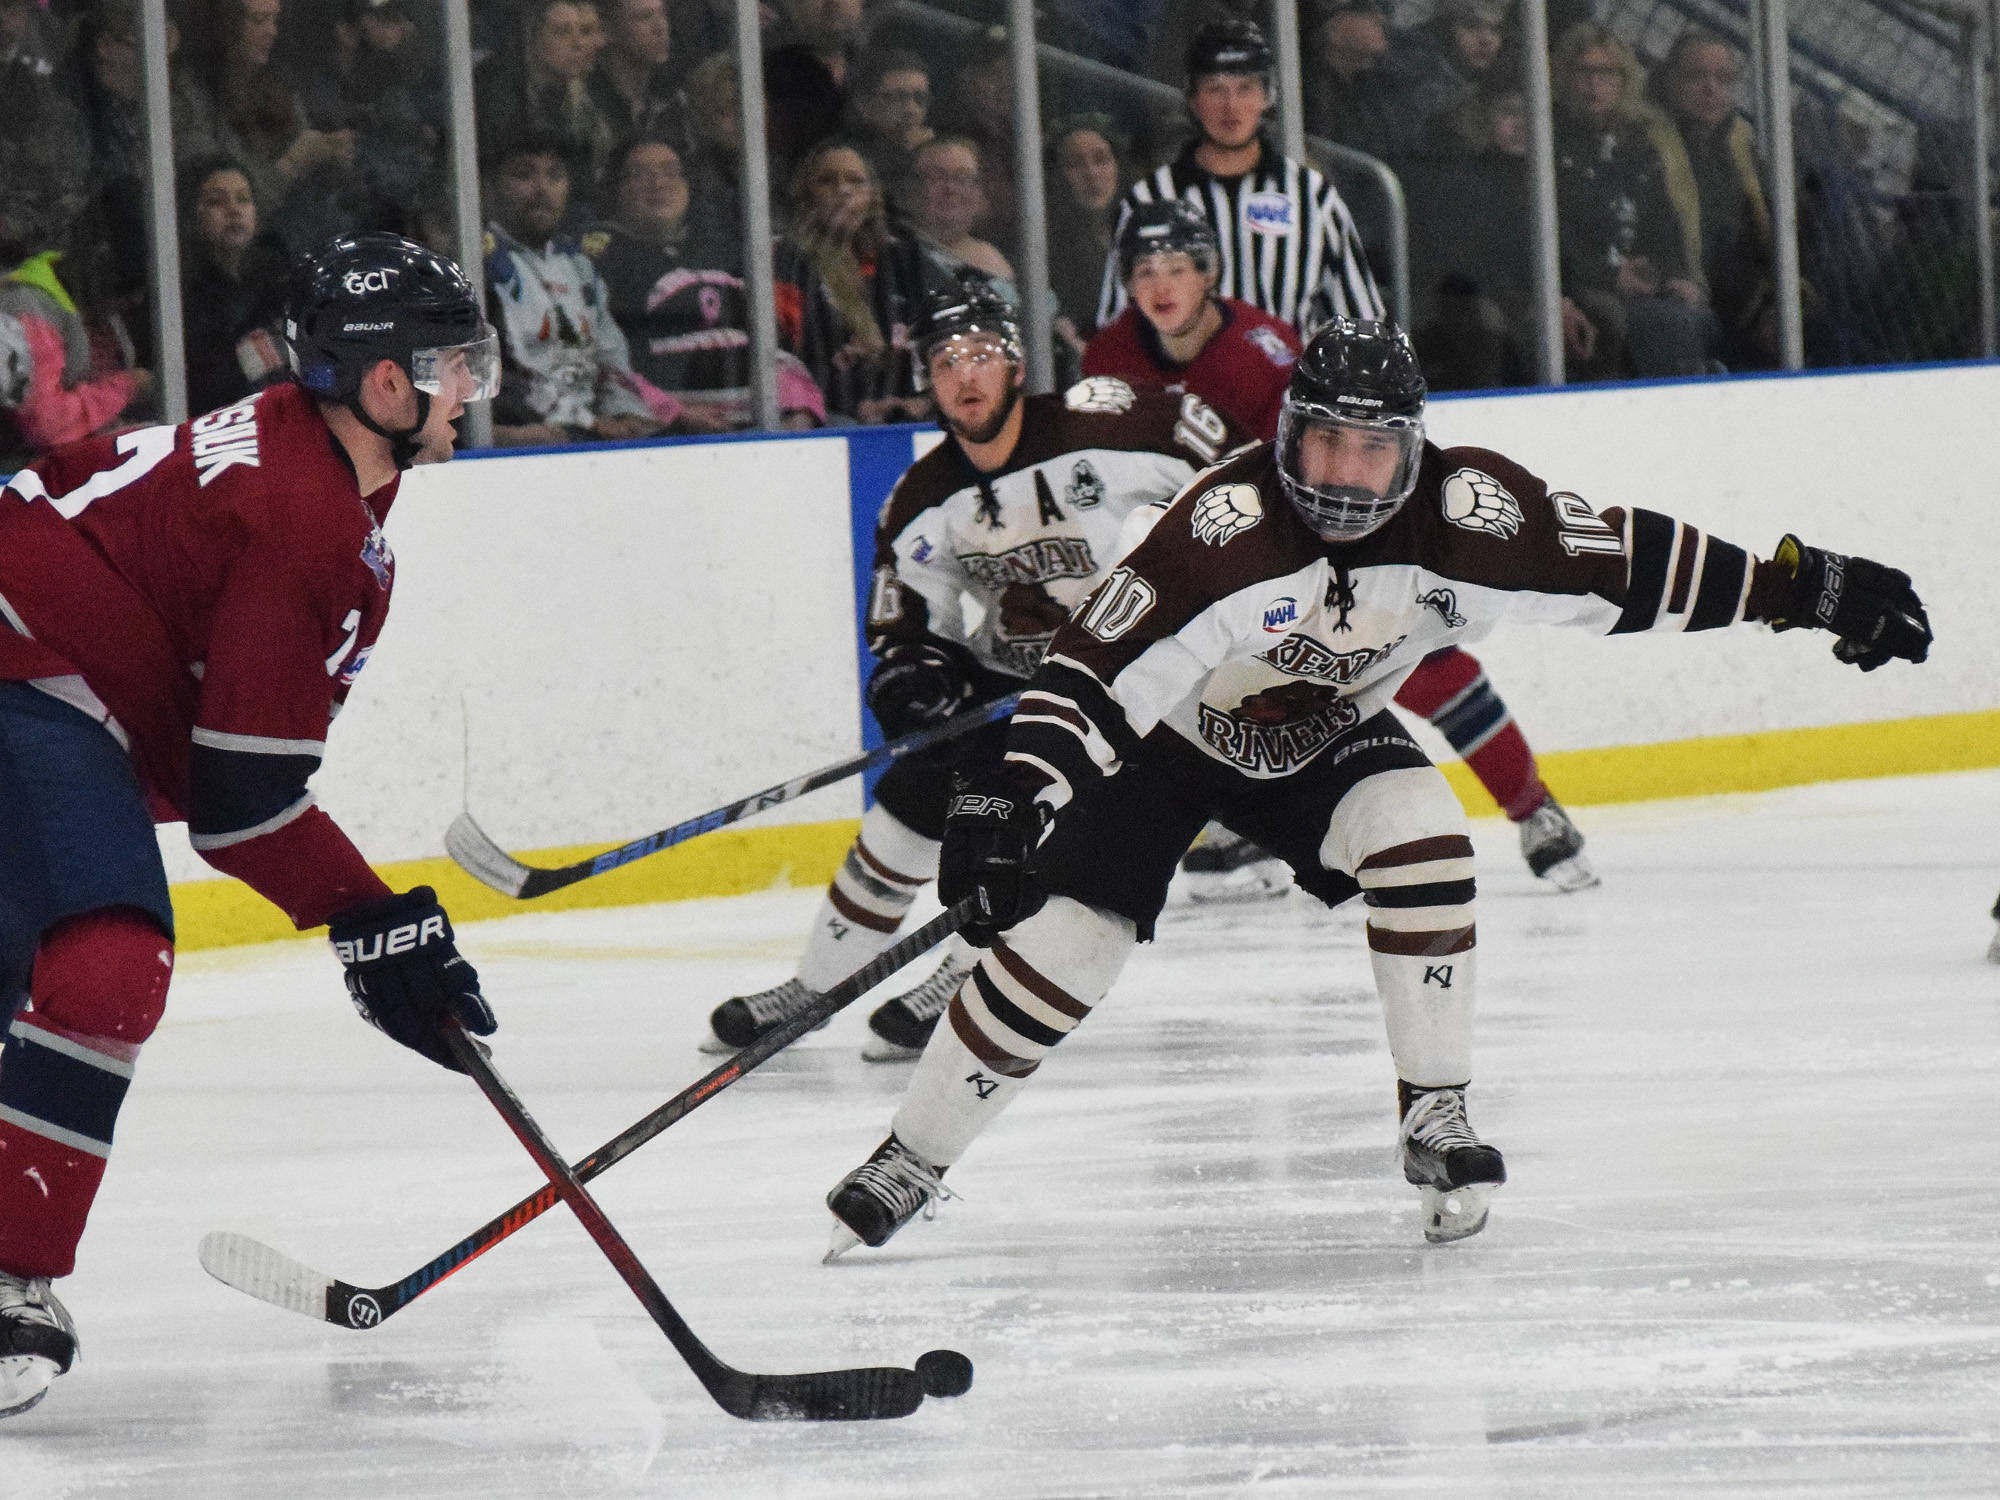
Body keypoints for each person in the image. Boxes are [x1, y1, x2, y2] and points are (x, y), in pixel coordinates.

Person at [821, 317, 1931, 1260]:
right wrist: (1007, 800)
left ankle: (1435, 1113)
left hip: (1318, 739)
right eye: (1321, 444)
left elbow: (1629, 562)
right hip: (1164, 744)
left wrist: (1805, 587)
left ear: (1411, 451)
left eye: (1370, 452)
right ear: (1283, 433)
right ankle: (910, 1160)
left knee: (1420, 835)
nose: (1342, 476)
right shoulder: (1218, 531)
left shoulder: (1470, 517)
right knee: (1068, 943)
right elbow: (1091, 671)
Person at [0, 232, 506, 1418]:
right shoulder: (301, 521)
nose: (471, 385)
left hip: (42, 668)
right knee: (108, 967)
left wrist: (369, 926)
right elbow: (242, 804)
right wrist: (375, 921)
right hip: (26, 666)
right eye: (453, 362)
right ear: (387, 384)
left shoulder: (310, 466)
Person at [701, 278, 1250, 1063]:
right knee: (912, 798)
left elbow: (1247, 478)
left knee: (1034, 814)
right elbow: (909, 622)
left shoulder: (1123, 424)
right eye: (947, 358)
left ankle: (967, 975)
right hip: (1019, 680)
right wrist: (919, 675)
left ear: (1017, 363)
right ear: (926, 376)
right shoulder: (923, 497)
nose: (967, 375)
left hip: (1138, 685)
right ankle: (814, 987)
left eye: (984, 354)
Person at [1085, 202, 1595, 895]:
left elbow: (1318, 465)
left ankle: (1534, 808)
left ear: (1208, 272)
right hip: (1197, 555)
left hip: (1306, 544)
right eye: (1145, 270)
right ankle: (1229, 823)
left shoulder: (1262, 348)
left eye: (1179, 266)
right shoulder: (1107, 358)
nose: (1162, 285)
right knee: (1188, 673)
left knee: (1430, 667)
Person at [1098, 18, 1383, 337]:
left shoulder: (1312, 197)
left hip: (1286, 386)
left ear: (1267, 96)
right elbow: (1116, 328)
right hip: (1181, 387)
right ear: (1193, 100)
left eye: (1245, 88)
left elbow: (1361, 323)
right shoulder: (1147, 201)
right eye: (1215, 90)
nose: (1230, 106)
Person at [586, 134, 825, 430]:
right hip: (659, 428)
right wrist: (674, 415)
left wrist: (798, 409)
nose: (659, 183)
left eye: (671, 172)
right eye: (640, 174)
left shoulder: (726, 251)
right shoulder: (598, 261)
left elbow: (773, 344)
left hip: (760, 418)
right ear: (616, 189)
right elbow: (602, 362)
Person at [1552, 23, 1716, 380]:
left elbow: (1663, 222)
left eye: (1606, 73)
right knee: (1622, 317)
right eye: (1585, 72)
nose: (1594, 84)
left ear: (1624, 80)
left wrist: (1673, 275)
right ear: (1567, 77)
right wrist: (1610, 274)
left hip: (1636, 285)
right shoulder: (1551, 140)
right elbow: (1551, 232)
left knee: (1695, 315)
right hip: (1577, 285)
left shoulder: (1638, 145)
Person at [483, 132, 666, 446]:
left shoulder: (580, 267)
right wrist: (587, 422)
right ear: (488, 187)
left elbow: (612, 357)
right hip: (527, 436)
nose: (542, 190)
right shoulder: (478, 264)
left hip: (586, 433)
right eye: (523, 175)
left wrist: (624, 414)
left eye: (554, 176)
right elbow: (495, 378)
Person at [772, 140, 931, 425]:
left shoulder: (901, 257)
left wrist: (920, 401)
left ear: (873, 196)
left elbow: (937, 340)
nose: (843, 191)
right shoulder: (787, 262)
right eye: (827, 182)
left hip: (904, 417)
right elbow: (781, 356)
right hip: (827, 421)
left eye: (855, 181)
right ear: (806, 196)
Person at [1650, 28, 1778, 371]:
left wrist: (1776, 297)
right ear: (1671, 81)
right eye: (1696, 77)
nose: (1711, 89)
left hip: (1742, 298)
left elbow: (1773, 226)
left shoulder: (1741, 144)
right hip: (1683, 291)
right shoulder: (1645, 142)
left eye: (1723, 79)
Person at [180, 156, 291, 416]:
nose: (234, 210)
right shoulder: (182, 296)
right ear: (192, 215)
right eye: (217, 201)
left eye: (243, 199)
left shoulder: (280, 279)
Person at [1045, 115, 1124, 358]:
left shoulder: (1143, 231)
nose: (1091, 173)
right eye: (1075, 164)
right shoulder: (1045, 246)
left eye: (1101, 160)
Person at [902, 136, 1017, 298]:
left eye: (963, 179)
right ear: (912, 190)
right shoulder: (897, 256)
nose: (950, 188)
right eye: (937, 177)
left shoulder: (999, 258)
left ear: (979, 193)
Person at [845, 47, 934, 212]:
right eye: (898, 98)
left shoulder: (935, 151)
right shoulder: (847, 161)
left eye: (920, 98)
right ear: (864, 104)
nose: (911, 109)